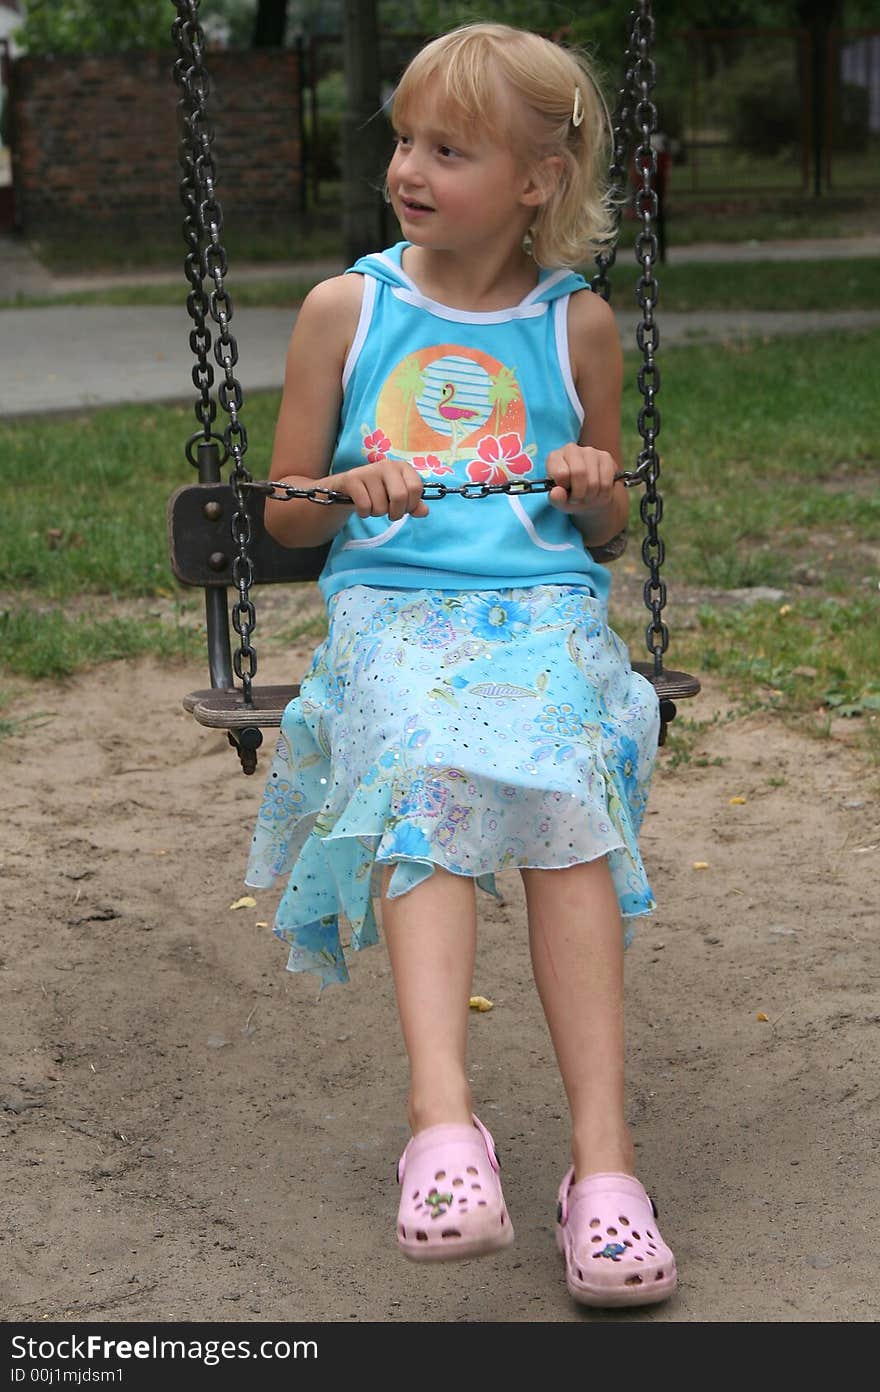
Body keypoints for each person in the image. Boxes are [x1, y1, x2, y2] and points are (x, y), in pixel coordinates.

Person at [246, 21, 676, 1309]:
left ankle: (605, 1169)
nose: (409, 168)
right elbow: (282, 512)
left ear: (536, 180)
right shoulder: (351, 307)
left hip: (539, 615)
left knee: (564, 799)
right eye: (403, 141)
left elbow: (602, 527)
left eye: (450, 148)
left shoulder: (576, 325)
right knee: (425, 764)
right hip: (393, 613)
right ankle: (446, 1126)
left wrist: (598, 487)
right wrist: (343, 491)